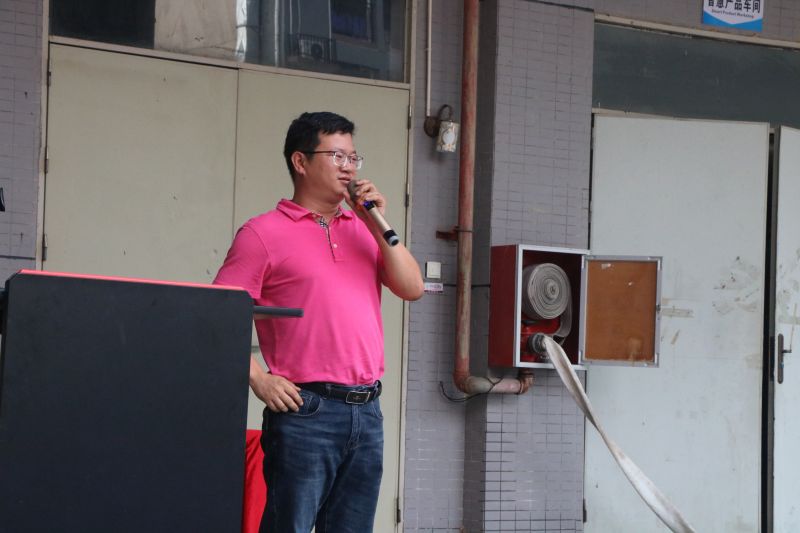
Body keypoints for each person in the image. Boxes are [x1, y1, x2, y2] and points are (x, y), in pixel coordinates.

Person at [214, 111, 424, 533]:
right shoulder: (262, 234)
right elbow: (216, 315)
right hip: (305, 412)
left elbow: (412, 287)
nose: (349, 167)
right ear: (301, 161)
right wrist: (259, 379)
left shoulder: (364, 229)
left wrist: (377, 223)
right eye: (337, 156)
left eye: (353, 158)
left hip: (367, 411)